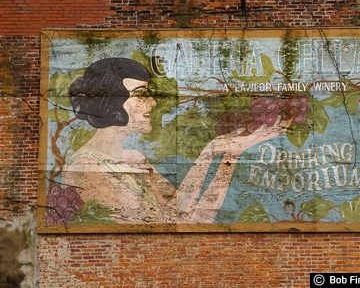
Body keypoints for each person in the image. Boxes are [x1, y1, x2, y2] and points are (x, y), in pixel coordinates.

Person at [62, 57, 290, 224]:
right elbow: (175, 225)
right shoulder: (88, 169)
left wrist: (223, 153)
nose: (152, 103)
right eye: (141, 95)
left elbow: (192, 218)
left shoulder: (135, 160)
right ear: (109, 102)